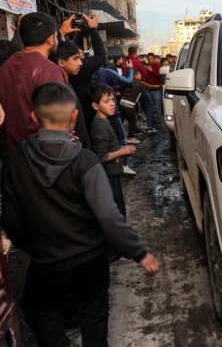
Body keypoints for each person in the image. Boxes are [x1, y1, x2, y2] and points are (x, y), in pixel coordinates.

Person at [1, 82, 160, 347]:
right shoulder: (85, 160)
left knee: (40, 310)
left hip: (46, 261)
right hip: (90, 259)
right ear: (74, 115)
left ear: (34, 117)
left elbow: (11, 219)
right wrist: (138, 252)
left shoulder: (15, 161)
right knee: (94, 318)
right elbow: (108, 215)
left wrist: (32, 246)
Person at [0, 12, 66, 149]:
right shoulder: (49, 70)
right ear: (50, 39)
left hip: (12, 155)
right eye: (56, 36)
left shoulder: (5, 67)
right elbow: (58, 121)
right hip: (42, 155)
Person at [90, 85, 136, 220]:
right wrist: (123, 151)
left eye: (113, 100)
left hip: (113, 174)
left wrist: (121, 149)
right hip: (109, 177)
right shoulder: (100, 126)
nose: (112, 104)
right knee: (118, 213)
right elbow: (101, 156)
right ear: (95, 105)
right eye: (106, 101)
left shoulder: (104, 120)